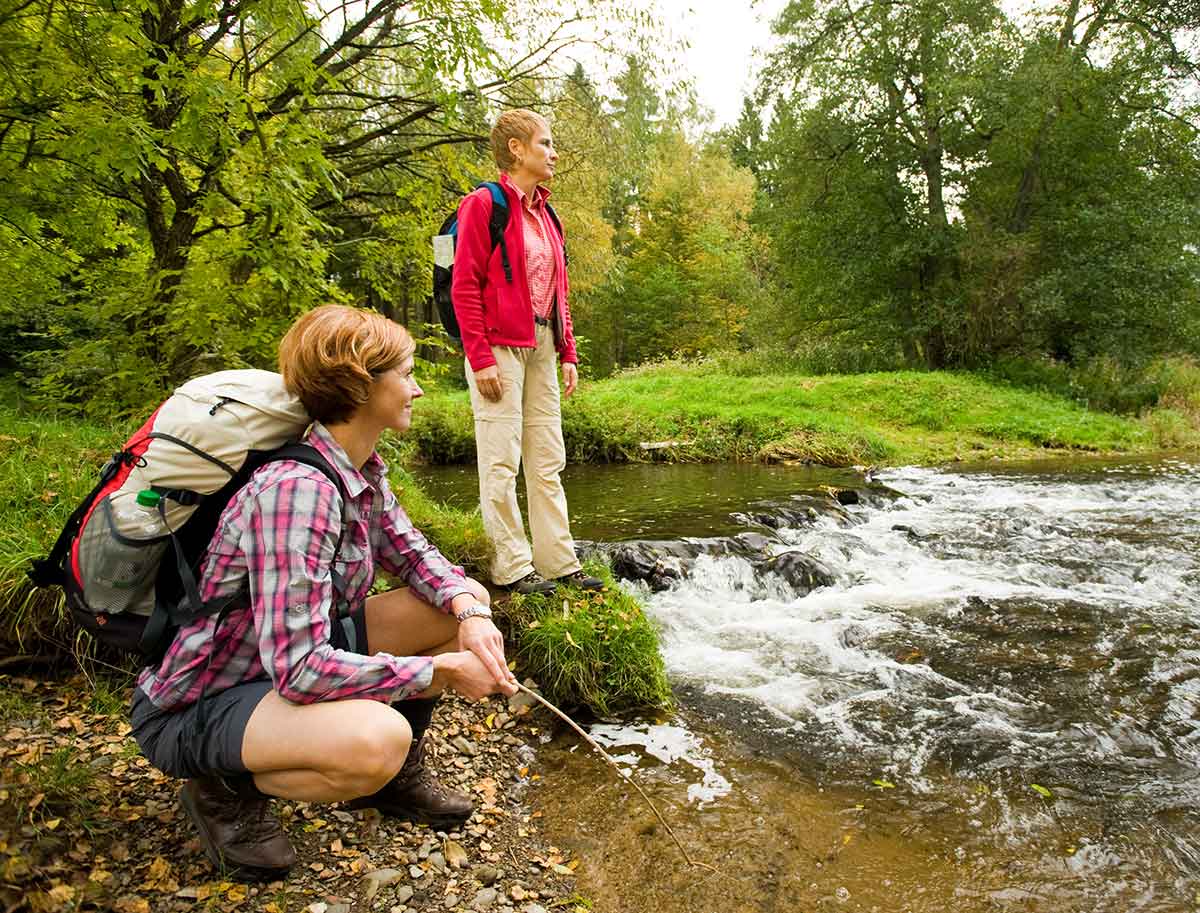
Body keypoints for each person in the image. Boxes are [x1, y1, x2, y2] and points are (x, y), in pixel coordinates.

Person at [130, 304, 518, 881]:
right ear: (361, 385)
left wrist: (470, 609)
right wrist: (440, 673)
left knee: (446, 606)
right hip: (205, 702)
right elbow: (302, 669)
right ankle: (222, 792)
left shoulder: (358, 469)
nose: (417, 388)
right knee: (375, 739)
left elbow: (413, 554)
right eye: (406, 374)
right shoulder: (298, 492)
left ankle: (393, 780)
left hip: (268, 664)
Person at [451, 109, 602, 596]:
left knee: (547, 458)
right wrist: (480, 357)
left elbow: (560, 289)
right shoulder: (482, 205)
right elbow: (464, 287)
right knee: (500, 459)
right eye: (545, 144)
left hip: (541, 345)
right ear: (516, 148)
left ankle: (558, 561)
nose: (553, 153)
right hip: (497, 345)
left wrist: (568, 350)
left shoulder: (547, 213)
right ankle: (511, 567)